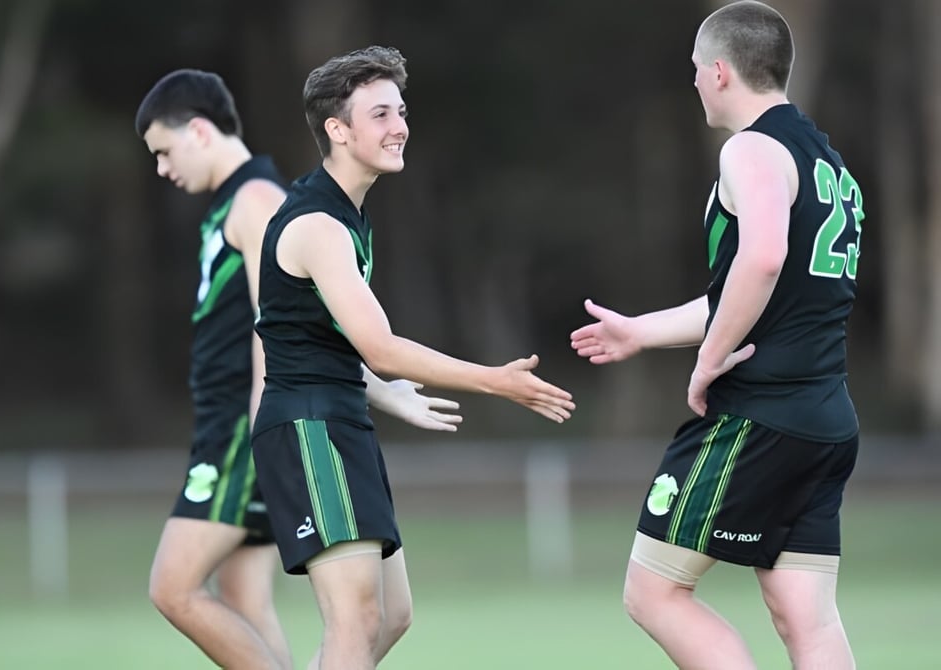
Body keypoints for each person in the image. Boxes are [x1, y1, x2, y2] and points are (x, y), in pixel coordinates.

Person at [251, 45, 575, 670]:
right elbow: (380, 347)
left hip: (342, 418)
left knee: (391, 615)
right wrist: (495, 382)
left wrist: (381, 391)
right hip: (309, 427)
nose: (399, 126)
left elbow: (308, 332)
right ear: (337, 130)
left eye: (400, 111)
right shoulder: (317, 224)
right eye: (379, 114)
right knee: (356, 620)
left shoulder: (347, 214)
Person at [135, 68, 464, 670]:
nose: (161, 168)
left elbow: (284, 323)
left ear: (200, 132)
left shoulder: (258, 200)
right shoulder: (238, 203)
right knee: (244, 595)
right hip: (260, 424)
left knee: (174, 587)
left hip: (251, 425)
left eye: (164, 150)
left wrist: (276, 428)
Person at [571, 2, 862, 668]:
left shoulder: (750, 148)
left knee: (653, 593)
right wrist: (641, 331)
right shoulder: (827, 162)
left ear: (721, 72)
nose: (696, 82)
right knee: (806, 618)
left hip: (759, 415)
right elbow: (757, 296)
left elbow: (762, 259)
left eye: (698, 70)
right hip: (824, 418)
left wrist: (708, 361)